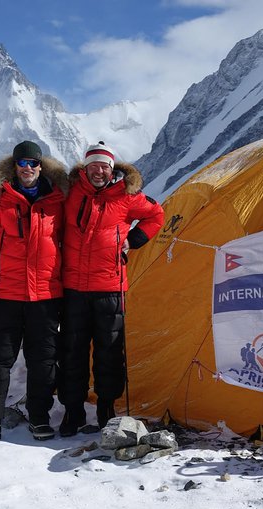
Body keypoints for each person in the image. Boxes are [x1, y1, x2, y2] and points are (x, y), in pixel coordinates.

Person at [0, 140, 68, 444]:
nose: (28, 168)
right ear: (14, 166)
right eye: (22, 163)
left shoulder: (60, 200)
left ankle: (40, 419)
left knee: (42, 361)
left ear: (41, 166)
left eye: (33, 163)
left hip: (45, 296)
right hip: (7, 294)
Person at [56, 142, 164, 434]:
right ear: (85, 168)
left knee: (110, 352)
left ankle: (107, 408)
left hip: (110, 285)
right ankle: (73, 410)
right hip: (74, 287)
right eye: (94, 166)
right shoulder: (70, 190)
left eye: (104, 166)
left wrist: (136, 238)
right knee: (72, 351)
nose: (99, 171)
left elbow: (156, 215)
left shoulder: (126, 196)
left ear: (112, 168)